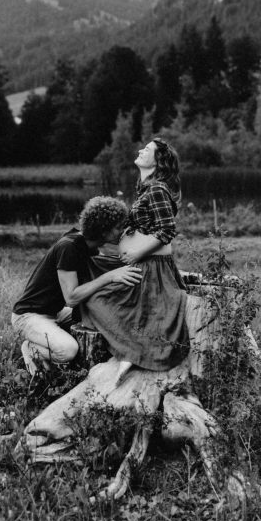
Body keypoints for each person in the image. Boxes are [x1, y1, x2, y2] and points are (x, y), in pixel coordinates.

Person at [81, 137, 190, 383]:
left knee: (99, 299)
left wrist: (138, 253)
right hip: (142, 264)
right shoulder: (146, 188)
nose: (141, 150)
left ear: (158, 161)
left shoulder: (157, 189)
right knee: (98, 295)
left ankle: (132, 351)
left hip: (152, 268)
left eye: (147, 149)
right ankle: (130, 349)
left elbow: (167, 230)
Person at [11, 196, 142, 375]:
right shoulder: (69, 247)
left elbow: (105, 269)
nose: (123, 231)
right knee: (68, 350)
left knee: (101, 320)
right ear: (103, 230)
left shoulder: (89, 247)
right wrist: (110, 277)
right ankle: (31, 348)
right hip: (29, 316)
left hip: (55, 312)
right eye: (118, 227)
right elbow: (71, 298)